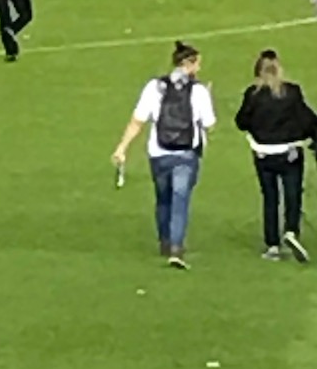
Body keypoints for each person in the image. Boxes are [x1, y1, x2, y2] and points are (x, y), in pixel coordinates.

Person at [112, 41, 217, 270]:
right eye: (197, 64)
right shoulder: (198, 91)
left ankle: (165, 241)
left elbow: (138, 120)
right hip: (186, 153)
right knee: (181, 199)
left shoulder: (154, 87)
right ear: (188, 64)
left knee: (163, 198)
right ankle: (177, 247)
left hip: (159, 152)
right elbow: (209, 124)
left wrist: (122, 147)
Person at [235, 50, 317, 262]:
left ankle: (272, 244)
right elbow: (306, 119)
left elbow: (242, 122)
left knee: (270, 197)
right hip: (289, 153)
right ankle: (291, 230)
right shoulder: (291, 92)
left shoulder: (253, 94)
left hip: (264, 153)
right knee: (293, 194)